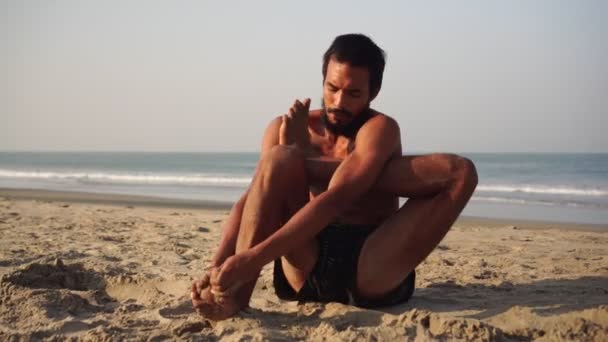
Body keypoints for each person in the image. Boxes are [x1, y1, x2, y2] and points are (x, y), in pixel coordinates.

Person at [191, 33, 478, 320]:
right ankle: (232, 300)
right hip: (304, 261)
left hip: (372, 267)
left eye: (353, 94)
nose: (339, 101)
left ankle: (356, 172)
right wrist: (217, 265)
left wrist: (253, 258)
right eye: (332, 88)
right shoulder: (284, 125)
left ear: (373, 92)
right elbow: (254, 199)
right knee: (279, 158)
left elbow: (336, 199)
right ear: (323, 80)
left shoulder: (379, 129)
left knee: (461, 171)